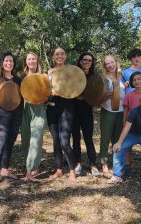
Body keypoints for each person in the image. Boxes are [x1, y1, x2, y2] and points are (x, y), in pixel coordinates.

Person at [0, 52, 23, 189]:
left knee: (10, 142)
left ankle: (5, 169)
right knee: (0, 144)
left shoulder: (17, 80)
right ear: (2, 62)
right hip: (1, 114)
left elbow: (20, 97)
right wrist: (2, 100)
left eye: (11, 61)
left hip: (16, 114)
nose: (9, 63)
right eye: (7, 60)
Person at [46, 46, 76, 181]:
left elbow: (76, 88)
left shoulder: (71, 70)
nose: (59, 56)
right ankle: (59, 170)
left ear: (66, 56)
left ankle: (72, 170)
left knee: (64, 142)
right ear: (53, 57)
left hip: (67, 107)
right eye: (57, 54)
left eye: (62, 54)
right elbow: (46, 89)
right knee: (56, 141)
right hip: (51, 107)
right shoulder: (49, 71)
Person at [71, 52, 101, 177]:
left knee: (88, 138)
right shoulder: (73, 74)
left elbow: (97, 95)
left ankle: (93, 165)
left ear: (92, 63)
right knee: (76, 138)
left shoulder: (95, 77)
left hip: (87, 110)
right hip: (73, 109)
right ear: (80, 61)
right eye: (85, 60)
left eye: (90, 60)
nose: (87, 62)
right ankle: (78, 164)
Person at [21, 52, 47, 181]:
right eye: (29, 59)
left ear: (37, 61)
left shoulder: (44, 77)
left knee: (36, 140)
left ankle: (30, 170)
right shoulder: (22, 77)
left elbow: (49, 94)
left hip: (39, 110)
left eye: (34, 59)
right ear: (26, 61)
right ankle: (31, 165)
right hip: (25, 110)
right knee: (26, 139)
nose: (31, 61)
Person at [100, 55, 125, 178]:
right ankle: (104, 164)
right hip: (108, 111)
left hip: (121, 111)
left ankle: (117, 164)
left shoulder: (122, 75)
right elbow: (98, 98)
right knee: (105, 138)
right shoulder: (103, 78)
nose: (110, 65)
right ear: (105, 66)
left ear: (116, 62)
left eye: (112, 62)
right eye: (107, 63)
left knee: (117, 139)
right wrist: (107, 95)